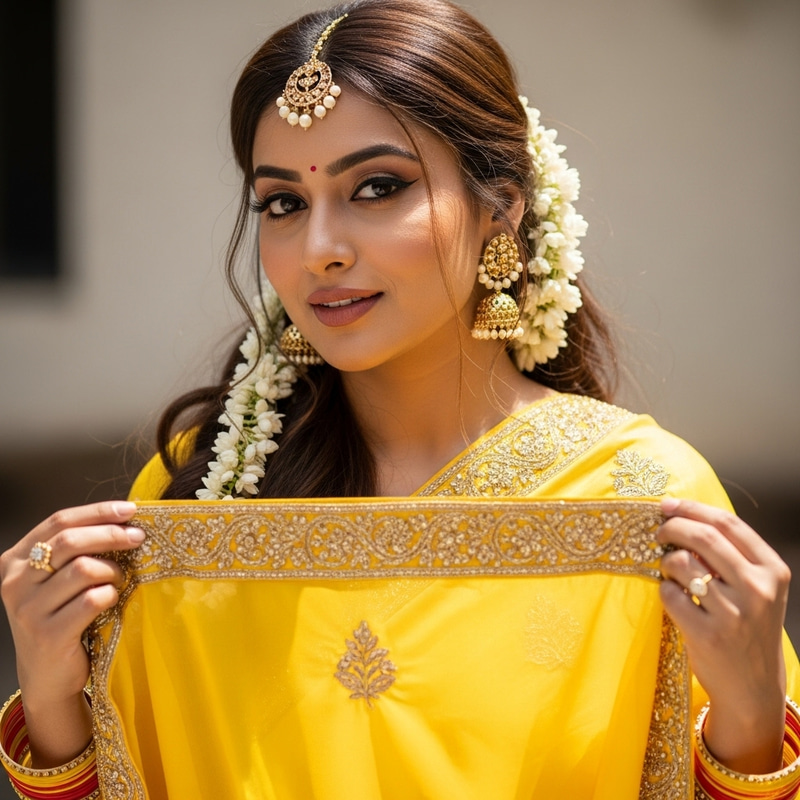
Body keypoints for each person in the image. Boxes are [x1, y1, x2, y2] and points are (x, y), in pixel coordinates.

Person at [1, 0, 798, 797]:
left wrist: (755, 711)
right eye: (283, 203)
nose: (320, 251)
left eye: (378, 187)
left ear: (501, 207)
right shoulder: (198, 497)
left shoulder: (639, 500)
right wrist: (48, 688)